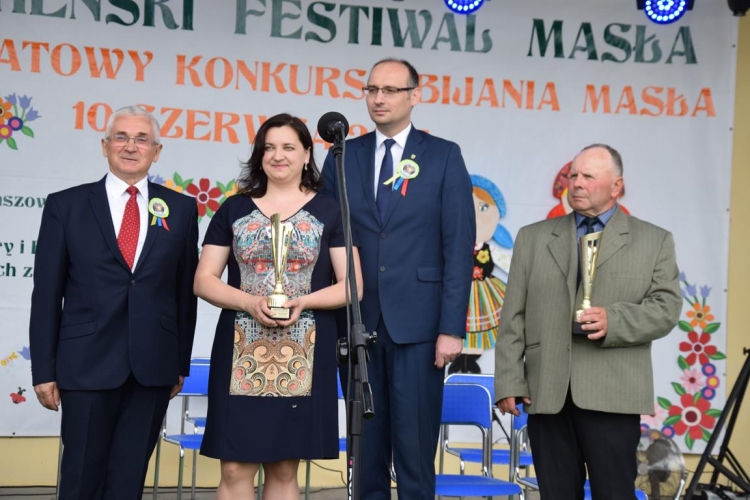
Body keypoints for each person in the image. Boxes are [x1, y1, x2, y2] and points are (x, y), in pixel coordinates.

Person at [322, 58, 475, 499]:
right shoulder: (342, 156)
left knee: (414, 450)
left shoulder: (443, 155)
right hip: (357, 323)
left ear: (415, 96)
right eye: (372, 90)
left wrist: (451, 328)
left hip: (420, 327)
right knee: (365, 450)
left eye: (390, 90)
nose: (379, 98)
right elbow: (328, 237)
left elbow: (458, 245)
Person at [29, 106, 199, 500]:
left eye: (142, 139)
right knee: (81, 480)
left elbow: (183, 294)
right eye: (121, 137)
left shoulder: (181, 209)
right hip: (84, 366)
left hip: (152, 368)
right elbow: (47, 294)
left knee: (128, 482)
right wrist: (44, 370)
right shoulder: (65, 205)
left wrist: (179, 364)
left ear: (157, 151)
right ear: (105, 146)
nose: (130, 146)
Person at [494, 144, 682, 499]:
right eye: (573, 175)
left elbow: (666, 308)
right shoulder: (532, 238)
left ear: (616, 186)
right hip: (547, 395)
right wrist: (508, 380)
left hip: (613, 396)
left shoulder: (654, 240)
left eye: (589, 176)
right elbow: (512, 316)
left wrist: (615, 320)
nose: (577, 183)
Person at [194, 113, 362, 499]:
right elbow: (203, 280)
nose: (277, 155)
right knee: (234, 467)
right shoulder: (234, 209)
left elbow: (352, 287)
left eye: (288, 147)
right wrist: (249, 302)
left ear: (307, 154)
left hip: (305, 354)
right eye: (269, 147)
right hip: (240, 352)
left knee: (285, 467)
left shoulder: (331, 210)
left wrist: (303, 302)